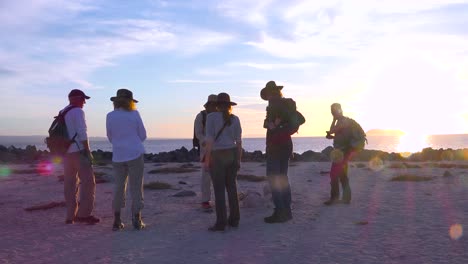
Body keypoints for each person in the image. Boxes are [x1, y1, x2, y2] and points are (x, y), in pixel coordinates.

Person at [106, 89, 147, 230]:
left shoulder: (110, 116)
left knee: (118, 187)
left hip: (118, 155)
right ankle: (137, 219)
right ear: (130, 102)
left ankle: (117, 220)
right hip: (135, 154)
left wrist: (120, 144)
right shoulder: (134, 114)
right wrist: (133, 142)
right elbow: (143, 135)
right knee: (136, 187)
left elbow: (110, 137)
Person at [203, 92, 242, 231]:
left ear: (217, 105)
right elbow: (238, 141)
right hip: (232, 153)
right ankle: (234, 220)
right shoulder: (235, 119)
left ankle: (221, 223)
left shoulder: (211, 117)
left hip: (217, 155)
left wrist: (207, 161)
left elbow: (209, 141)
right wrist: (238, 159)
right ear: (229, 106)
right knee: (232, 187)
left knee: (219, 190)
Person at [63, 89, 100, 224]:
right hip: (78, 151)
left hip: (66, 153)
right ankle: (83, 215)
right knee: (88, 183)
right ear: (78, 98)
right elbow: (82, 132)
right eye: (83, 99)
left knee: (69, 183)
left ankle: (70, 216)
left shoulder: (63, 111)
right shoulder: (78, 111)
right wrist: (87, 150)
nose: (84, 102)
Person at [261, 80, 295, 223]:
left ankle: (280, 211)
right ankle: (287, 210)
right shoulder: (287, 104)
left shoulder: (273, 105)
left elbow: (270, 125)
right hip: (287, 144)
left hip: (275, 146)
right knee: (283, 178)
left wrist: (270, 125)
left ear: (269, 93)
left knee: (274, 179)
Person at [324, 103, 356, 205]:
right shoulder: (342, 121)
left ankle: (335, 198)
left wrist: (333, 121)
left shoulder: (343, 121)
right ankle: (346, 198)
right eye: (332, 111)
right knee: (342, 175)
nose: (332, 113)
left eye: (333, 111)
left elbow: (332, 130)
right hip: (344, 151)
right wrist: (333, 137)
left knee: (334, 174)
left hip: (341, 152)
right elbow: (340, 135)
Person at [194, 94, 218, 211]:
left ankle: (224, 198)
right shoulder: (201, 116)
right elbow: (198, 133)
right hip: (206, 150)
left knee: (223, 174)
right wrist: (205, 142)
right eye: (213, 104)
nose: (215, 107)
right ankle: (205, 200)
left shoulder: (220, 116)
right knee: (206, 176)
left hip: (219, 149)